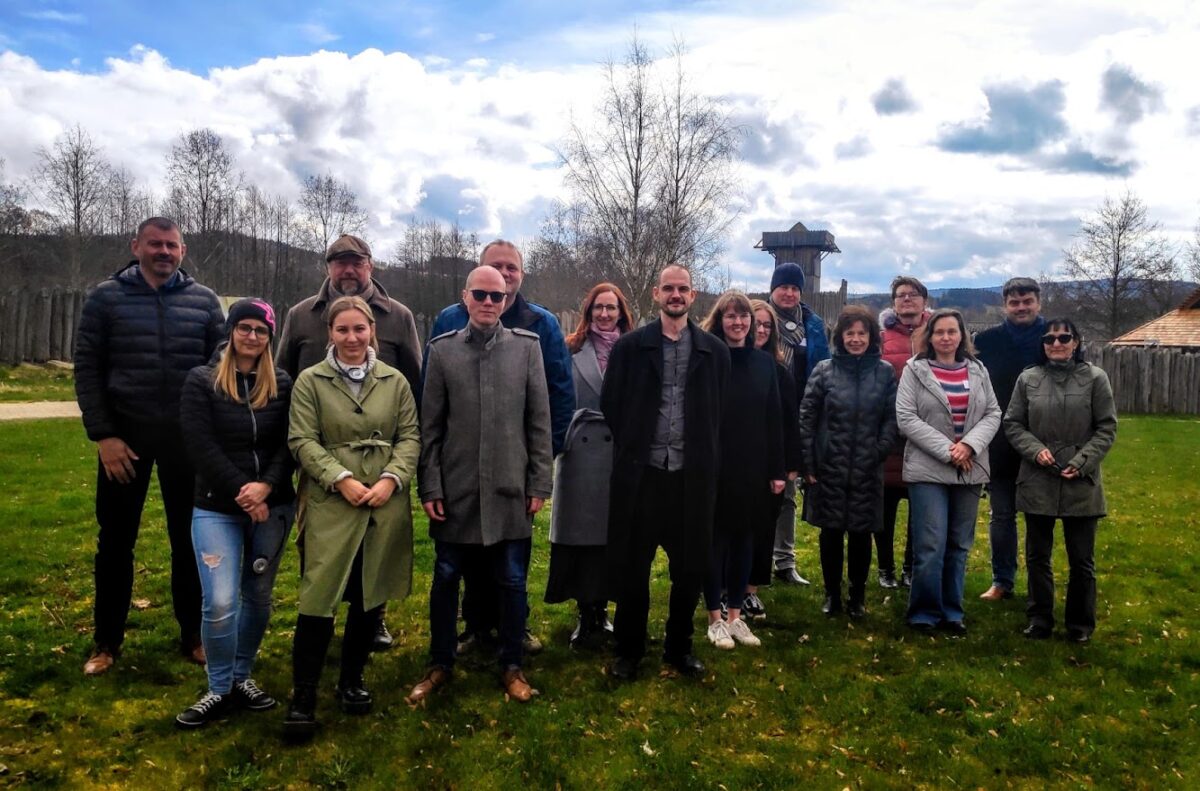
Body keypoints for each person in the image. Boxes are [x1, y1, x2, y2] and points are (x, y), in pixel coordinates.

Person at [74, 217, 225, 675]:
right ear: (135, 246)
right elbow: (87, 368)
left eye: (171, 245)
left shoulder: (204, 301)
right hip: (126, 439)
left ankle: (194, 635)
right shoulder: (106, 298)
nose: (164, 252)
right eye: (155, 244)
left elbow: (219, 364)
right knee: (115, 542)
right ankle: (106, 642)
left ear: (183, 251)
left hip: (186, 440)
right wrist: (104, 435)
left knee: (190, 540)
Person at [406, 266, 553, 705]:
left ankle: (512, 665)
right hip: (457, 490)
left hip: (510, 487)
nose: (489, 302)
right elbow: (430, 428)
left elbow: (539, 423)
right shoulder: (442, 350)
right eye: (481, 295)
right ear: (465, 296)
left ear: (507, 300)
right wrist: (430, 487)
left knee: (512, 580)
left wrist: (538, 483)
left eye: (497, 296)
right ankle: (440, 663)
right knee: (446, 577)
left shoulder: (527, 349)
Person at [425, 239, 574, 658]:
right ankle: (475, 627)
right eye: (495, 268)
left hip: (514, 466)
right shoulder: (448, 323)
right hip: (461, 469)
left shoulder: (541, 326)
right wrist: (433, 476)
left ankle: (514, 630)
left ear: (519, 278)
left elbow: (556, 398)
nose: (501, 280)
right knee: (465, 560)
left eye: (511, 269)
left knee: (511, 563)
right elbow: (431, 402)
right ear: (469, 289)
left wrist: (537, 467)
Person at [276, 233, 423, 651]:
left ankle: (373, 617)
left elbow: (415, 383)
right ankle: (319, 614)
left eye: (356, 262)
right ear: (328, 267)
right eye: (339, 262)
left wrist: (403, 462)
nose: (348, 270)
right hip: (320, 453)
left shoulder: (398, 316)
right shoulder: (301, 315)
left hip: (379, 457)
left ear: (370, 265)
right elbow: (282, 378)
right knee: (318, 542)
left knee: (375, 544)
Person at [283, 296, 420, 736]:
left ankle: (352, 678)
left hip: (383, 500)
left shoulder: (394, 381)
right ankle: (304, 692)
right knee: (319, 595)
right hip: (331, 501)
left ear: (372, 330)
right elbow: (301, 439)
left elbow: (410, 436)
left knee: (369, 591)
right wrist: (339, 478)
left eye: (359, 329)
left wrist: (391, 480)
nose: (352, 338)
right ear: (330, 333)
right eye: (342, 330)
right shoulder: (311, 381)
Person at [601, 264, 730, 681]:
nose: (676, 295)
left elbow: (720, 412)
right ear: (656, 294)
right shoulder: (630, 348)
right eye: (668, 288)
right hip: (643, 477)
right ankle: (628, 650)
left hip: (692, 480)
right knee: (632, 568)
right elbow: (611, 404)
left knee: (690, 570)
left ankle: (679, 649)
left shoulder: (714, 353)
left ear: (693, 296)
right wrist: (635, 444)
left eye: (683, 289)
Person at [175, 300, 295, 728]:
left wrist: (267, 486)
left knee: (258, 595)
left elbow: (290, 441)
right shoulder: (202, 380)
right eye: (244, 328)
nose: (252, 337)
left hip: (273, 506)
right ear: (230, 332)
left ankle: (242, 675)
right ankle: (218, 685)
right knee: (221, 600)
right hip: (217, 506)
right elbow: (199, 443)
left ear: (270, 338)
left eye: (261, 331)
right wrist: (243, 491)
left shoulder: (282, 382)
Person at [1003, 318, 1117, 643]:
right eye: (1049, 338)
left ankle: (1080, 625)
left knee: (1082, 559)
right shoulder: (1028, 378)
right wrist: (1035, 450)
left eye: (1064, 338)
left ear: (1076, 342)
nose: (1056, 343)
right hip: (1037, 477)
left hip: (1081, 482)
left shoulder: (1095, 378)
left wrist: (1082, 461)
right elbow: (1013, 423)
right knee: (1038, 556)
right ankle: (1039, 619)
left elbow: (1107, 427)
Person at [896, 309, 1001, 634]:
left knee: (958, 544)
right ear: (930, 337)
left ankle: (952, 612)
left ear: (961, 336)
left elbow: (993, 413)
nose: (945, 337)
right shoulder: (915, 370)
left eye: (952, 331)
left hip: (969, 469)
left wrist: (968, 446)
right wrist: (950, 451)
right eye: (939, 332)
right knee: (930, 545)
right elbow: (906, 417)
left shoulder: (978, 370)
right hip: (928, 469)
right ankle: (924, 613)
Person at [545, 283, 634, 649]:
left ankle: (604, 611)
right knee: (580, 539)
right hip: (579, 454)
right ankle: (586, 612)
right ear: (588, 311)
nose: (605, 314)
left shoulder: (633, 350)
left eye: (611, 308)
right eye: (599, 307)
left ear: (622, 313)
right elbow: (555, 397)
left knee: (612, 538)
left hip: (618, 456)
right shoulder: (571, 348)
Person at [798, 306, 898, 618]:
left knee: (860, 534)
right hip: (829, 466)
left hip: (867, 467)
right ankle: (832, 594)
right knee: (830, 533)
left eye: (861, 333)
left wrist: (879, 450)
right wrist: (809, 463)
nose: (856, 339)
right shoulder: (824, 371)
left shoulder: (884, 373)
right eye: (849, 333)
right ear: (840, 337)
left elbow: (891, 419)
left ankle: (857, 596)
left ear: (871, 337)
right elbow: (807, 418)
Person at [700, 291, 785, 650]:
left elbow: (774, 418)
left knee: (745, 539)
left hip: (754, 465)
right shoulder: (708, 359)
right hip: (715, 464)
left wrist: (777, 469)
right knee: (716, 540)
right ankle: (715, 619)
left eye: (744, 316)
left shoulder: (764, 364)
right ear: (720, 321)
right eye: (731, 316)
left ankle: (736, 616)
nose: (738, 322)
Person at [974, 277, 1046, 602]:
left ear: (1038, 302)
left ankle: (1039, 584)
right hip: (999, 439)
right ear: (1005, 305)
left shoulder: (1053, 338)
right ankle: (1002, 581)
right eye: (1014, 302)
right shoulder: (988, 341)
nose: (1021, 307)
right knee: (1002, 515)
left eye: (1027, 301)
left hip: (1042, 441)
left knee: (1039, 518)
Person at [767, 262, 830, 586]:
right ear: (773, 289)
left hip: (797, 416)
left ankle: (785, 560)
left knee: (787, 492)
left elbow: (823, 369)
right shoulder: (760, 320)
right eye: (784, 287)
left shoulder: (813, 326)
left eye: (795, 288)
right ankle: (755, 559)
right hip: (762, 413)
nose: (789, 293)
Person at [743, 300, 801, 621]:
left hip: (770, 462)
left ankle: (750, 590)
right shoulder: (724, 363)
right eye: (757, 323)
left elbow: (790, 422)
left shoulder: (779, 372)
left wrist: (791, 464)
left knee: (763, 528)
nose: (761, 330)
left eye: (767, 325)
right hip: (735, 460)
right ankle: (722, 589)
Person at [878, 276, 932, 589]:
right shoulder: (882, 338)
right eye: (900, 295)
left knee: (920, 509)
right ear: (894, 303)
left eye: (913, 294)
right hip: (889, 434)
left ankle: (911, 567)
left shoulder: (936, 333)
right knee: (884, 508)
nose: (907, 299)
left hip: (924, 436)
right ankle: (885, 568)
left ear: (924, 300)